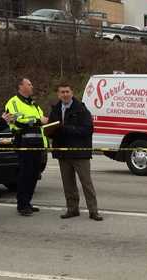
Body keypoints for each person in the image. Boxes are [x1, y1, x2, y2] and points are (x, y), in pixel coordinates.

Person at [47, 83, 102, 221]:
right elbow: (52, 129)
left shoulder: (81, 109)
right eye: (62, 92)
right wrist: (49, 131)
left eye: (67, 91)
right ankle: (72, 209)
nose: (65, 94)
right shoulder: (55, 110)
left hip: (79, 153)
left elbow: (87, 130)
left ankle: (93, 211)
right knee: (68, 183)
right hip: (62, 152)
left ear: (72, 93)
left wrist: (66, 129)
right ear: (58, 94)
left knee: (86, 183)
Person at [4, 77, 47, 216]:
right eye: (29, 84)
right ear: (20, 86)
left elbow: (43, 119)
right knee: (25, 175)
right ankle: (22, 205)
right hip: (24, 144)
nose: (32, 86)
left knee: (34, 175)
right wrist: (37, 121)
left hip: (37, 145)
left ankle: (27, 202)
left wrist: (44, 121)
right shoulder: (14, 102)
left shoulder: (33, 104)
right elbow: (18, 122)